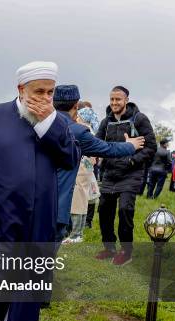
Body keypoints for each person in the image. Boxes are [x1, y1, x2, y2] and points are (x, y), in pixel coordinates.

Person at [0, 61, 80, 321]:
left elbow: (70, 158)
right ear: (21, 90)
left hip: (40, 218)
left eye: (50, 92)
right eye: (38, 91)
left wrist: (49, 123)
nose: (45, 98)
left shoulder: (56, 121)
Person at [52, 85, 144, 243]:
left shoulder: (39, 125)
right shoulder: (77, 131)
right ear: (76, 106)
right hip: (57, 206)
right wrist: (130, 145)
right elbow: (107, 148)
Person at [95, 86, 157, 266]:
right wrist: (96, 156)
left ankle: (126, 251)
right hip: (109, 173)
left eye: (118, 100)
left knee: (124, 210)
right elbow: (98, 143)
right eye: (112, 99)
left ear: (126, 100)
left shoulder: (139, 119)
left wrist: (132, 161)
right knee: (104, 210)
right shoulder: (105, 122)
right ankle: (109, 248)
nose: (114, 103)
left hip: (131, 173)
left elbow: (150, 147)